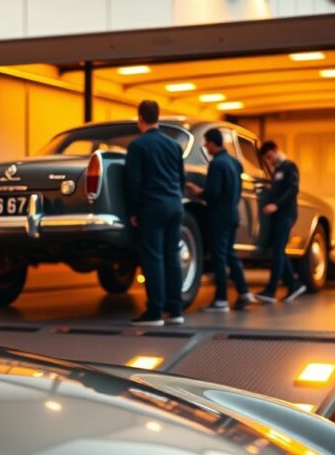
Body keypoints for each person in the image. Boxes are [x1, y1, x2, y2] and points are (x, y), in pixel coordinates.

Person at [124, 100, 186, 326]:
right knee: (172, 256)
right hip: (175, 206)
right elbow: (181, 178)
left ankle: (154, 312)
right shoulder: (174, 146)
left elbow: (134, 182)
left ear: (140, 118)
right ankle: (176, 311)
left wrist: (133, 211)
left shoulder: (138, 146)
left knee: (154, 258)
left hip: (152, 207)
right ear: (158, 117)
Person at [186, 128, 257, 312]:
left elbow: (214, 193)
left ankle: (221, 300)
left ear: (211, 142)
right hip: (233, 214)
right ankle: (243, 291)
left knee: (219, 257)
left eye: (205, 143)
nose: (204, 146)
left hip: (218, 216)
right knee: (230, 254)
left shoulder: (217, 165)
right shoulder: (234, 163)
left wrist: (198, 191)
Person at [255, 140, 306, 303]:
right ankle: (294, 284)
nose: (269, 160)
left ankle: (271, 290)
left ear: (276, 150)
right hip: (278, 215)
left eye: (269, 156)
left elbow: (293, 188)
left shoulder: (289, 166)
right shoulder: (277, 170)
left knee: (278, 250)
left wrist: (276, 204)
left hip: (286, 213)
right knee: (278, 250)